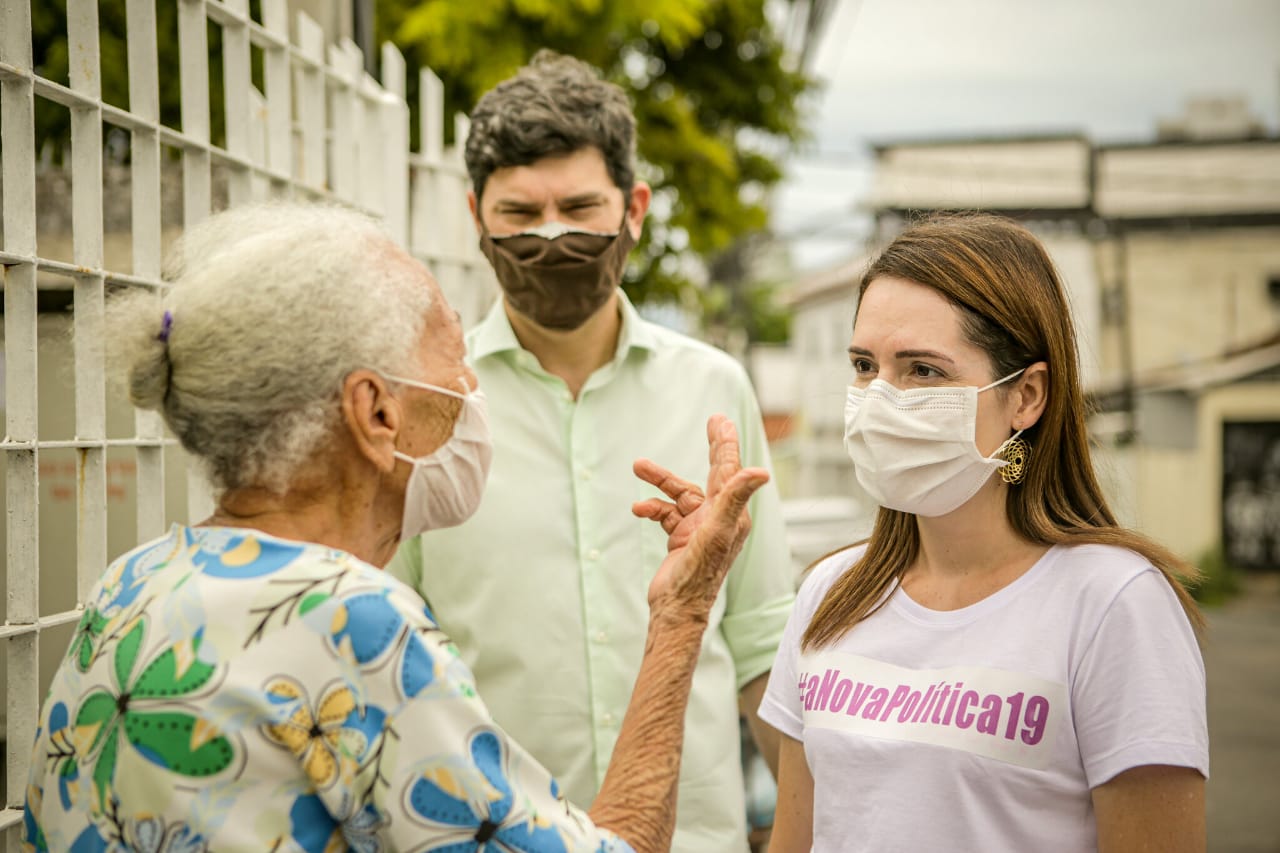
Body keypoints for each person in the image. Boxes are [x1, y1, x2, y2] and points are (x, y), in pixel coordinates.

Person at [21, 202, 771, 853]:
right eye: (455, 365)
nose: (473, 390)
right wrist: (683, 613)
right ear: (377, 411)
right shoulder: (352, 625)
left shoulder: (135, 581)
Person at [387, 51, 794, 851]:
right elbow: (390, 653)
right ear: (477, 216)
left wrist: (810, 827)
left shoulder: (716, 389)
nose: (551, 234)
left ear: (634, 207)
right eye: (520, 213)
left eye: (579, 207)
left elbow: (762, 645)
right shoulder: (426, 410)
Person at [760, 214, 1209, 852]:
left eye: (922, 370)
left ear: (1026, 396)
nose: (880, 398)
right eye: (865, 365)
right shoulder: (830, 594)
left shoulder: (1114, 605)